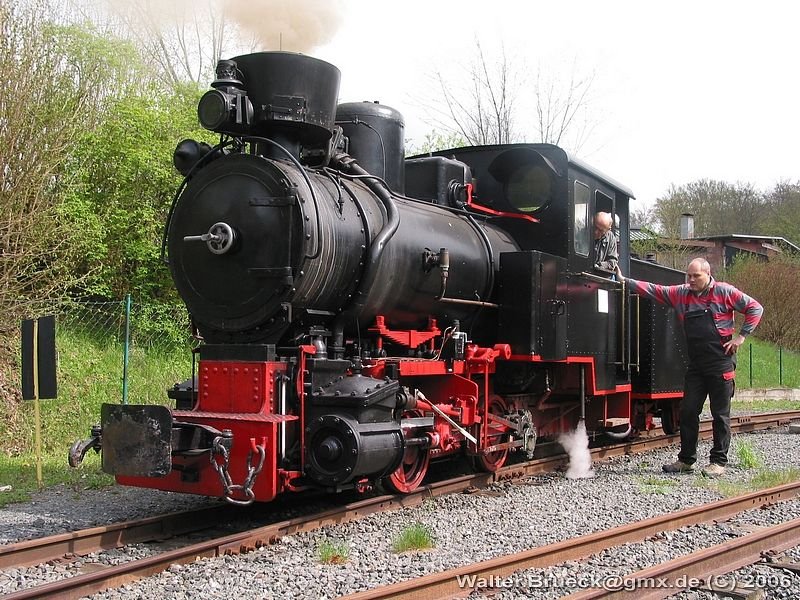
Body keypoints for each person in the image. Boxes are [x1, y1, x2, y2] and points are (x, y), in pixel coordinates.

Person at [614, 258, 763, 478]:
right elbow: (655, 290)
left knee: (720, 415)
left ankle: (718, 462)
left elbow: (755, 308)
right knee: (688, 411)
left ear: (708, 274)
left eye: (696, 276)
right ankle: (686, 460)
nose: (691, 280)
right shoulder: (682, 294)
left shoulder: (724, 292)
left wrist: (741, 337)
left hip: (720, 362)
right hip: (696, 365)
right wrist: (625, 281)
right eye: (689, 276)